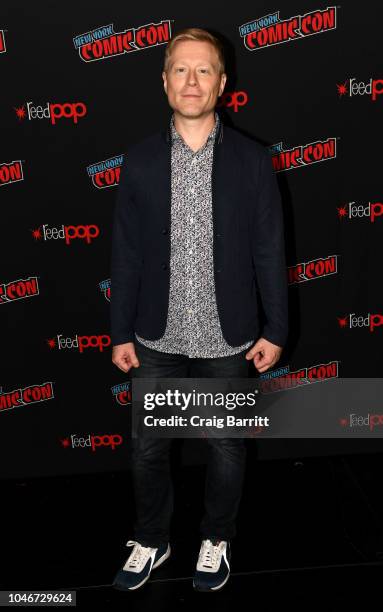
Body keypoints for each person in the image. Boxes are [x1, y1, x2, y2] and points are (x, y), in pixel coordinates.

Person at [110, 27, 288, 592]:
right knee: (147, 451)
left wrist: (276, 328)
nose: (191, 81)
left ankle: (217, 538)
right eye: (181, 70)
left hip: (230, 337)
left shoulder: (253, 160)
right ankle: (153, 540)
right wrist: (119, 333)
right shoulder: (137, 162)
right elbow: (127, 254)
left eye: (203, 70)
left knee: (227, 450)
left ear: (223, 82)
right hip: (156, 338)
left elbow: (268, 250)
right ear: (164, 81)